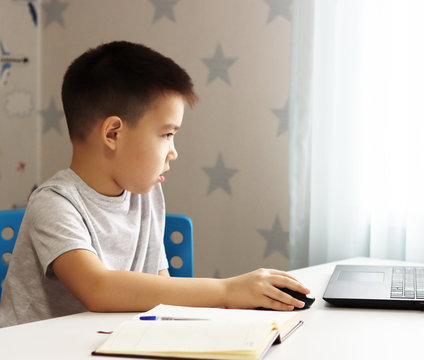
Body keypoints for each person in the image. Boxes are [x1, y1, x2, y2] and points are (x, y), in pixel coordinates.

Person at [0, 41, 310, 327]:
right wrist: (227, 290)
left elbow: (161, 288)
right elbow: (98, 288)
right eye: (167, 134)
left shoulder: (144, 194)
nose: (174, 152)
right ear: (113, 134)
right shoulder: (53, 204)